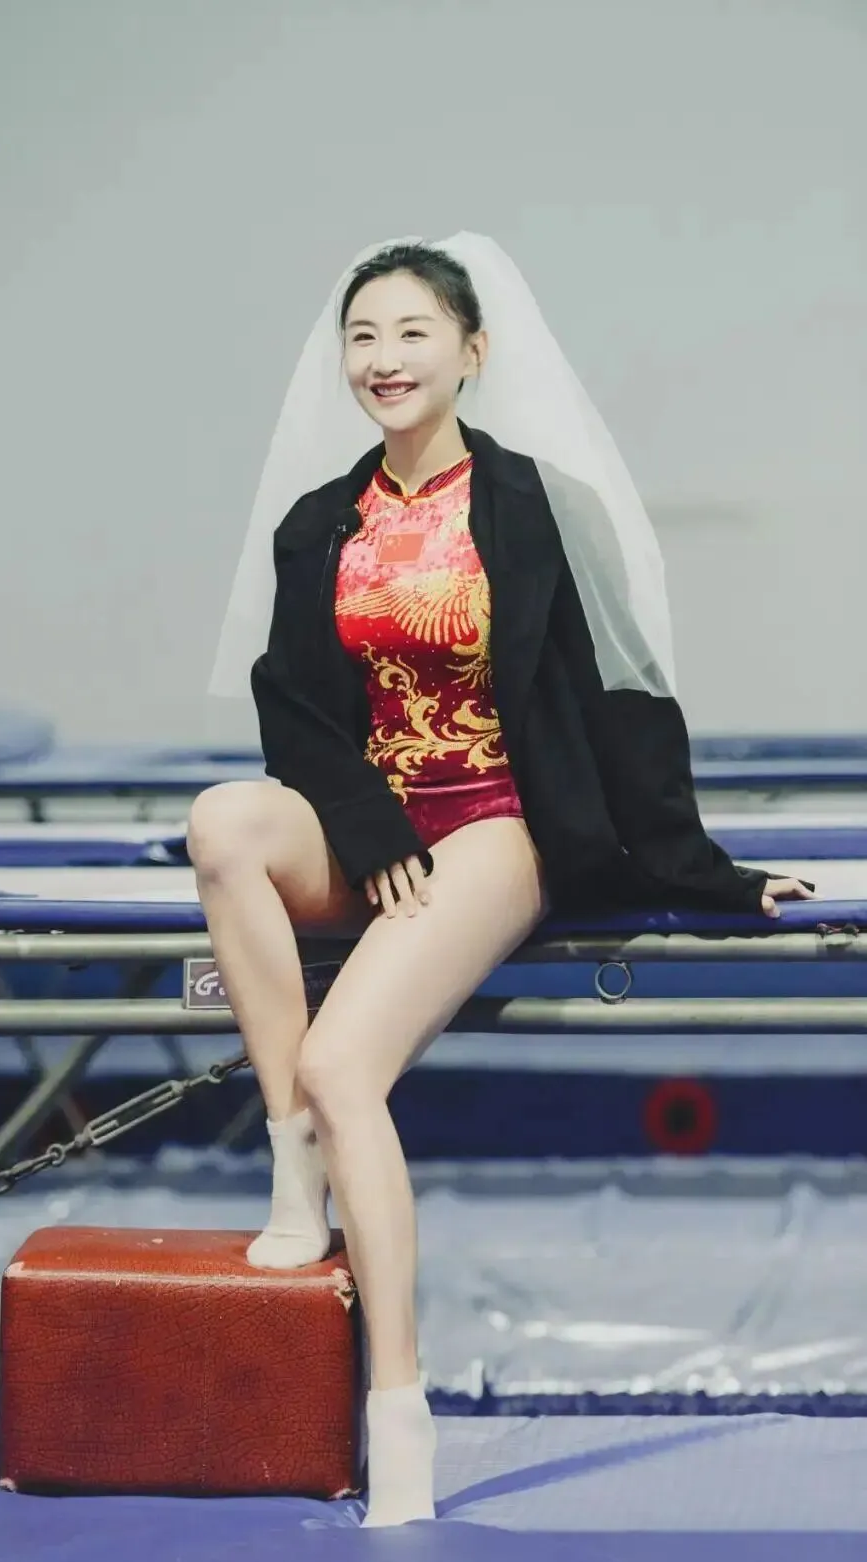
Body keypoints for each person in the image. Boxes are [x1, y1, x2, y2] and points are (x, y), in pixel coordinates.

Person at [187, 235, 812, 1528]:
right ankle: (290, 1156)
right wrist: (364, 825)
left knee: (345, 1064)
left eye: (412, 333)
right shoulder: (320, 523)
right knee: (222, 821)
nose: (384, 359)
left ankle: (398, 1407)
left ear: (472, 352)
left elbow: (621, 695)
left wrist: (710, 873)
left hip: (494, 823)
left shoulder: (534, 505)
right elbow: (291, 708)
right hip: (373, 828)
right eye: (363, 336)